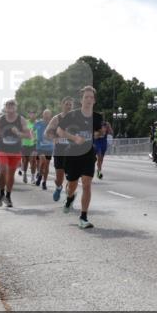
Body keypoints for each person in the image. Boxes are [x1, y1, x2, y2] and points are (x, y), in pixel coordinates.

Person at [56, 86, 102, 229]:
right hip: (73, 154)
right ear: (81, 100)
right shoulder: (72, 115)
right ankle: (70, 198)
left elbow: (99, 131)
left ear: (94, 100)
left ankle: (83, 217)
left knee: (87, 184)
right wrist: (74, 137)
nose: (88, 100)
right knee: (72, 184)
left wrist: (96, 134)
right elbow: (59, 130)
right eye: (86, 97)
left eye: (91, 97)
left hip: (88, 154)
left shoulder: (97, 117)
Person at [0, 99, 32, 207]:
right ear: (5, 107)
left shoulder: (21, 120)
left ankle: (8, 196)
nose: (10, 107)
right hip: (2, 149)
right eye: (8, 105)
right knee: (3, 171)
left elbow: (29, 135)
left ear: (16, 107)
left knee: (10, 174)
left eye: (12, 105)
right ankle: (1, 194)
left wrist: (18, 133)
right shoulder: (0, 119)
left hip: (15, 151)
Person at [47, 97, 74, 202]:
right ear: (62, 105)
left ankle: (70, 195)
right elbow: (48, 132)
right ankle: (59, 187)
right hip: (60, 150)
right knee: (59, 179)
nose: (68, 106)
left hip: (72, 150)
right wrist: (54, 137)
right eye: (67, 104)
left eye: (70, 105)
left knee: (72, 176)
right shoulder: (56, 118)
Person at [33, 110, 54, 189]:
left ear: (50, 115)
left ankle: (44, 181)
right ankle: (40, 174)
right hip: (40, 147)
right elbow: (32, 131)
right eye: (45, 114)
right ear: (43, 115)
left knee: (47, 165)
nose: (47, 115)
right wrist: (33, 137)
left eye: (48, 114)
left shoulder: (52, 124)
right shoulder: (38, 123)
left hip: (49, 147)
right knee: (43, 161)